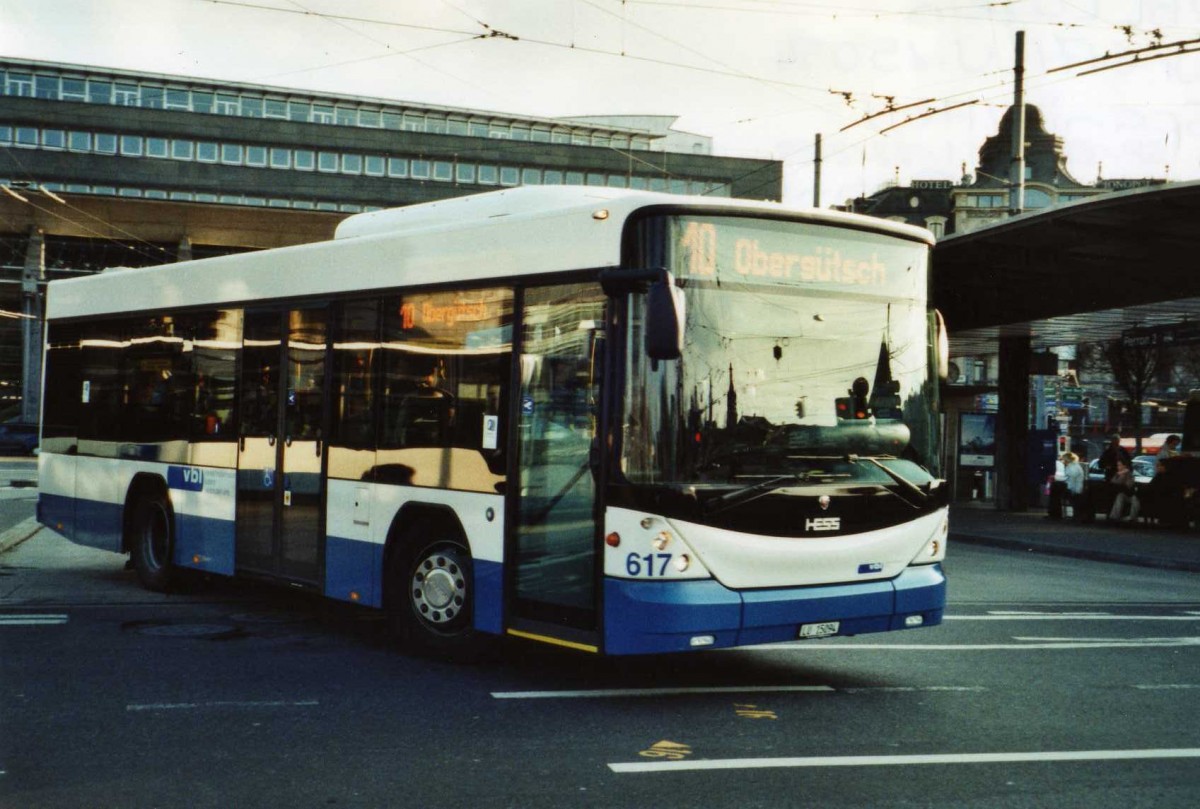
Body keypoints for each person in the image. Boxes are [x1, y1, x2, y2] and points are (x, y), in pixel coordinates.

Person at [1108, 458, 1140, 523]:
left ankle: (1132, 518)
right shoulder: (1117, 474)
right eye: (1117, 465)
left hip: (1130, 495)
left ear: (1124, 466)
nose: (1118, 467)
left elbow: (1128, 486)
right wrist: (1119, 475)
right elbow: (1113, 482)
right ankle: (1114, 516)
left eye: (1120, 465)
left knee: (1135, 499)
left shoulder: (1130, 475)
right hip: (1122, 494)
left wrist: (1124, 475)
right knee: (1120, 496)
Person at [1062, 452, 1087, 521]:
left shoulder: (1072, 467)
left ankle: (1055, 513)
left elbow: (1071, 481)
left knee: (1057, 490)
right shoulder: (1073, 466)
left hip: (1075, 490)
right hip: (1076, 488)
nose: (1063, 462)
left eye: (1064, 460)